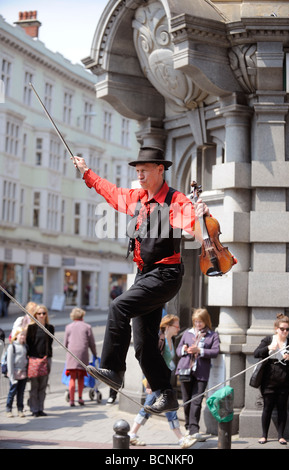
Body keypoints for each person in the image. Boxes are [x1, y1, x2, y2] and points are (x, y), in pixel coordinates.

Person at [73, 147, 209, 414]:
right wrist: (86, 172)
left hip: (166, 274)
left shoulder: (176, 200)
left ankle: (114, 370)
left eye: (144, 170)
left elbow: (195, 231)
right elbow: (110, 192)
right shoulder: (137, 197)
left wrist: (200, 215)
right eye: (137, 171)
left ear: (160, 169)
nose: (140, 175)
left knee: (118, 307)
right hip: (144, 274)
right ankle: (165, 393)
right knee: (143, 341)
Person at [129, 314, 184, 446]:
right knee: (169, 408)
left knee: (148, 408)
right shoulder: (161, 340)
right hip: (156, 381)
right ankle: (181, 438)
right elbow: (150, 363)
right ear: (168, 326)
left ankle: (132, 433)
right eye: (176, 326)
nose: (179, 328)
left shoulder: (172, 340)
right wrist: (149, 384)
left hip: (164, 379)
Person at [176, 308, 220, 449]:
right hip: (185, 370)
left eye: (200, 321)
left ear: (206, 321)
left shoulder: (212, 335)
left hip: (201, 372)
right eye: (195, 321)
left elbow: (215, 351)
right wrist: (184, 349)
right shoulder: (187, 333)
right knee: (187, 401)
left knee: (197, 400)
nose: (197, 324)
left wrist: (200, 350)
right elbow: (177, 351)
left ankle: (194, 430)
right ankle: (189, 426)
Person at [254, 313, 289, 445]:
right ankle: (264, 435)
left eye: (287, 329)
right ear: (276, 328)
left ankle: (281, 436)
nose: (285, 332)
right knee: (267, 407)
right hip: (268, 378)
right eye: (282, 329)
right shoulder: (268, 340)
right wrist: (268, 348)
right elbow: (256, 353)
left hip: (284, 378)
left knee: (282, 407)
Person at [64, 307, 97, 406]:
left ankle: (72, 400)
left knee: (72, 378)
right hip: (82, 353)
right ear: (82, 315)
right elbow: (92, 343)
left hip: (72, 354)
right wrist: (95, 354)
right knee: (81, 376)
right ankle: (80, 398)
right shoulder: (87, 327)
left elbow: (65, 343)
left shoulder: (68, 327)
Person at [26, 304, 54, 417]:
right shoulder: (31, 328)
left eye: (44, 313)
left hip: (46, 360)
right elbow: (28, 344)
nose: (41, 315)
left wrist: (46, 357)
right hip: (33, 360)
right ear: (35, 315)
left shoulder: (50, 328)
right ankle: (34, 409)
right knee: (34, 386)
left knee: (43, 386)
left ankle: (40, 408)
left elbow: (50, 344)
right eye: (39, 313)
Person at [6, 328, 28, 417]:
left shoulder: (25, 346)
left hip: (23, 373)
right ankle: (8, 409)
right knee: (12, 392)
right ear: (16, 336)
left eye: (24, 335)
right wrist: (11, 377)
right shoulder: (12, 346)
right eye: (21, 334)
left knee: (21, 393)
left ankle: (20, 409)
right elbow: (9, 362)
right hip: (14, 373)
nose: (23, 336)